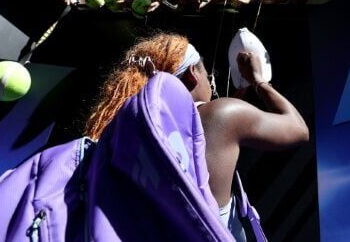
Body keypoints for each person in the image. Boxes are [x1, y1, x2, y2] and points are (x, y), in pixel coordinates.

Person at [84, 33, 309, 240]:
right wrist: (259, 81)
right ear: (193, 75)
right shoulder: (222, 114)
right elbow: (298, 129)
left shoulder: (124, 133)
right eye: (206, 72)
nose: (211, 79)